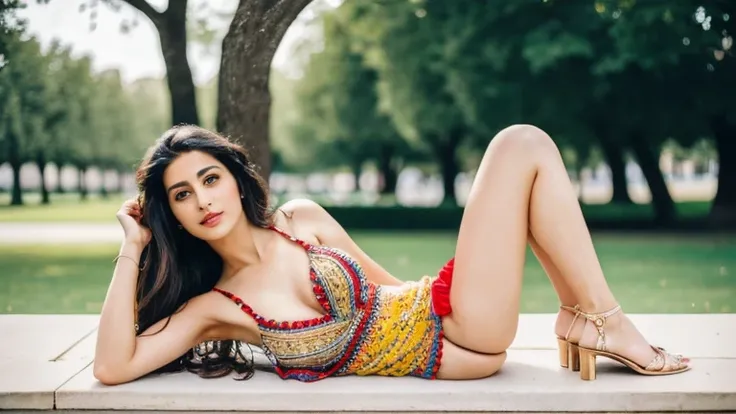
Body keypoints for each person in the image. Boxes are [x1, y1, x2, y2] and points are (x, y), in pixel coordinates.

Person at [93, 124, 689, 386]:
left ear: (235, 178)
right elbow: (113, 367)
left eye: (210, 178)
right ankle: (594, 321)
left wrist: (454, 296)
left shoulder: (301, 220)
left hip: (452, 320)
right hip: (460, 346)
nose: (203, 199)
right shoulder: (213, 307)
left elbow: (392, 289)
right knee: (521, 145)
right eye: (181, 194)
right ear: (171, 214)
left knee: (523, 145)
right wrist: (133, 246)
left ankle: (595, 318)